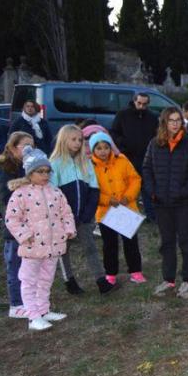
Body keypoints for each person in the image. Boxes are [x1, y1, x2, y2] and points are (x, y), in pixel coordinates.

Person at [5, 146, 75, 331]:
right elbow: (12, 219)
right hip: (32, 247)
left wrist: (68, 229)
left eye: (47, 171)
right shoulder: (20, 194)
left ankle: (43, 310)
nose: (45, 175)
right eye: (40, 172)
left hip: (53, 245)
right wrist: (25, 235)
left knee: (46, 279)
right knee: (29, 280)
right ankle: (33, 316)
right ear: (30, 173)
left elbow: (66, 212)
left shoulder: (55, 192)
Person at [143, 107, 188, 299]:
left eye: (178, 119)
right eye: (171, 120)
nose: (175, 123)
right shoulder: (155, 144)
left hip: (184, 203)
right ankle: (168, 280)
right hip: (162, 203)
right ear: (164, 122)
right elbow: (146, 168)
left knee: (186, 242)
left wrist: (185, 191)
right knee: (167, 242)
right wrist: (153, 192)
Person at [50, 125, 116, 295]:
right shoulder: (55, 163)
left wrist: (87, 213)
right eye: (73, 139)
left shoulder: (85, 162)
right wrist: (65, 216)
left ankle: (101, 281)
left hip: (84, 218)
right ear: (63, 140)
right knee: (64, 249)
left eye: (80, 140)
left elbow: (94, 190)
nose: (78, 143)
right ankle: (69, 280)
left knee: (90, 247)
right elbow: (53, 193)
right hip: (64, 218)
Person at [90, 132, 146, 286]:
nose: (103, 151)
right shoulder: (90, 166)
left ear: (111, 147)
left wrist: (128, 196)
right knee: (109, 245)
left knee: (131, 242)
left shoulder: (122, 160)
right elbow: (92, 190)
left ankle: (135, 271)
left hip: (126, 208)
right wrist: (107, 200)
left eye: (106, 147)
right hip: (105, 213)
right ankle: (111, 273)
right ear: (93, 150)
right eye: (99, 148)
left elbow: (135, 179)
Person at [0, 132, 34, 318]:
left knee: (29, 267)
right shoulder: (6, 168)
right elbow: (5, 196)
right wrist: (27, 182)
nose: (29, 150)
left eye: (32, 146)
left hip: (32, 223)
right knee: (15, 266)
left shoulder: (28, 165)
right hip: (14, 228)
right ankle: (16, 304)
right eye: (25, 146)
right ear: (13, 147)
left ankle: (31, 300)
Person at [110, 93, 159, 222]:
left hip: (147, 157)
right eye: (139, 103)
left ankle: (151, 215)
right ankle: (123, 215)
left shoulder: (152, 117)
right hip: (128, 157)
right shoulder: (122, 115)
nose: (141, 106)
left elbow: (157, 135)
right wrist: (124, 145)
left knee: (147, 186)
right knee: (126, 187)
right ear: (134, 101)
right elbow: (114, 133)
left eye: (145, 104)